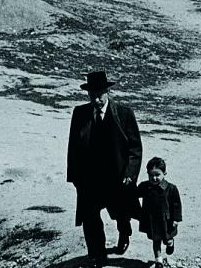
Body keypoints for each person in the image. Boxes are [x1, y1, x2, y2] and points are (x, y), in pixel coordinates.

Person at [67, 71, 142, 267]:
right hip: (89, 178)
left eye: (100, 94)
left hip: (117, 177)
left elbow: (135, 149)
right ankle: (98, 253)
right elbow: (73, 147)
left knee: (121, 211)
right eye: (92, 95)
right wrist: (74, 177)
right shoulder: (80, 114)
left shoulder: (124, 114)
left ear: (107, 92)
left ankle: (124, 233)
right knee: (90, 215)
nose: (97, 99)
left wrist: (130, 175)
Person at [137, 157, 182, 268]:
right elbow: (135, 194)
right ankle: (159, 261)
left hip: (167, 220)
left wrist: (176, 219)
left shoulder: (171, 189)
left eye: (157, 175)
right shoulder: (145, 187)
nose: (154, 178)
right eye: (151, 175)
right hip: (152, 220)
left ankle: (170, 243)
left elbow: (176, 205)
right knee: (156, 241)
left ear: (164, 173)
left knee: (166, 240)